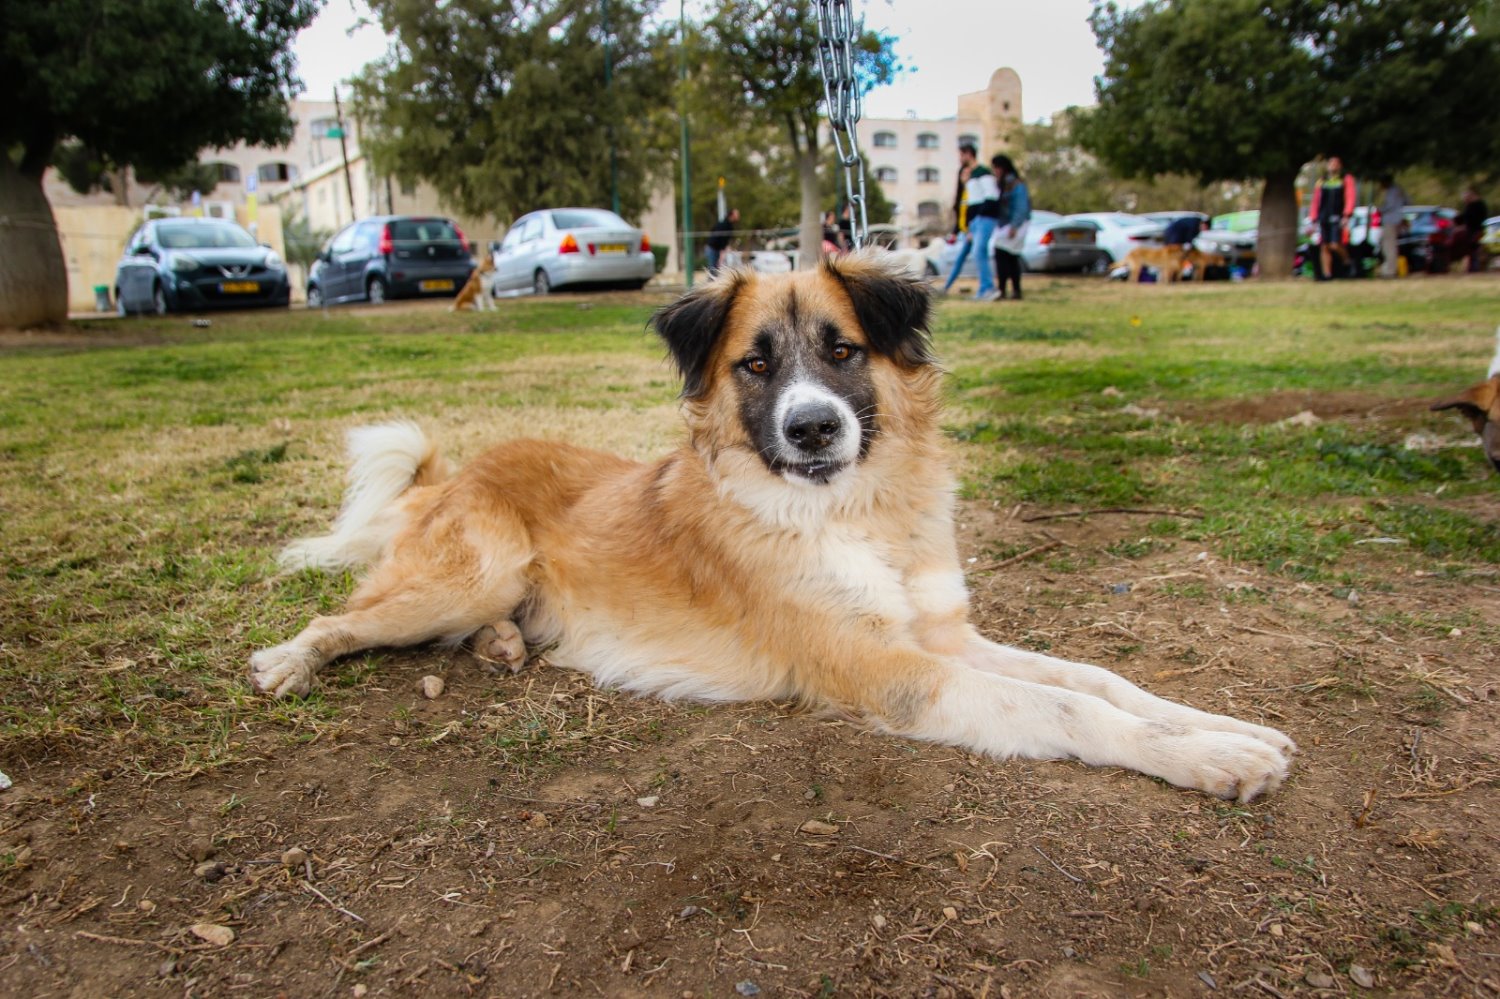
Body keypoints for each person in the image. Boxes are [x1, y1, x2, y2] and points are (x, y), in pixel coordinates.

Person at [941, 142, 1000, 299]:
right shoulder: (971, 176)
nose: (960, 158)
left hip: (984, 218)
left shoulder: (983, 172)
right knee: (964, 255)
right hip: (975, 221)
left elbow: (991, 196)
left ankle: (988, 288)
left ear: (968, 154)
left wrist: (979, 218)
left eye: (961, 155)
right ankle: (946, 287)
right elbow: (970, 202)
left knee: (979, 251)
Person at [989, 155, 1031, 301]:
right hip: (1005, 224)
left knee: (1005, 255)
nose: (995, 171)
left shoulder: (1016, 184)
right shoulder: (1001, 184)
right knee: (1010, 257)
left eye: (996, 168)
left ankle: (1005, 290)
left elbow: (1021, 207)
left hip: (1016, 225)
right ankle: (1013, 290)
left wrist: (1014, 226)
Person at [1307, 156, 1356, 280]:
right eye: (1331, 163)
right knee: (1324, 246)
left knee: (1334, 245)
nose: (1333, 165)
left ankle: (1347, 261)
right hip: (1323, 216)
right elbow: (1316, 201)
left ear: (1340, 166)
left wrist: (1347, 214)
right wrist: (1313, 218)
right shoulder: (1322, 181)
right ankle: (1327, 274)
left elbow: (1350, 197)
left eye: (1335, 163)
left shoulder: (1345, 179)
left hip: (1337, 216)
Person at [1377, 176, 1408, 278]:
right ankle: (1390, 268)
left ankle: (1390, 270)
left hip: (1390, 220)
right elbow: (1408, 201)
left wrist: (1380, 209)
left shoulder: (1391, 191)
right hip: (1397, 219)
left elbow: (1389, 205)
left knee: (1388, 245)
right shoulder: (1399, 190)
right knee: (1391, 244)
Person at [1456, 188, 1489, 273]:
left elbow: (1472, 219)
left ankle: (1475, 268)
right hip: (1471, 230)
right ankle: (1471, 268)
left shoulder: (1478, 205)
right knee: (1470, 251)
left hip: (1476, 230)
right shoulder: (1470, 206)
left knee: (1474, 250)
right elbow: (1463, 219)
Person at [705, 208, 739, 276]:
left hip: (716, 249)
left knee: (715, 269)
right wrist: (722, 251)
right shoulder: (724, 225)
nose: (738, 216)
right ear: (732, 215)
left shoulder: (728, 225)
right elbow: (720, 239)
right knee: (713, 270)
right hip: (713, 248)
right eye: (737, 214)